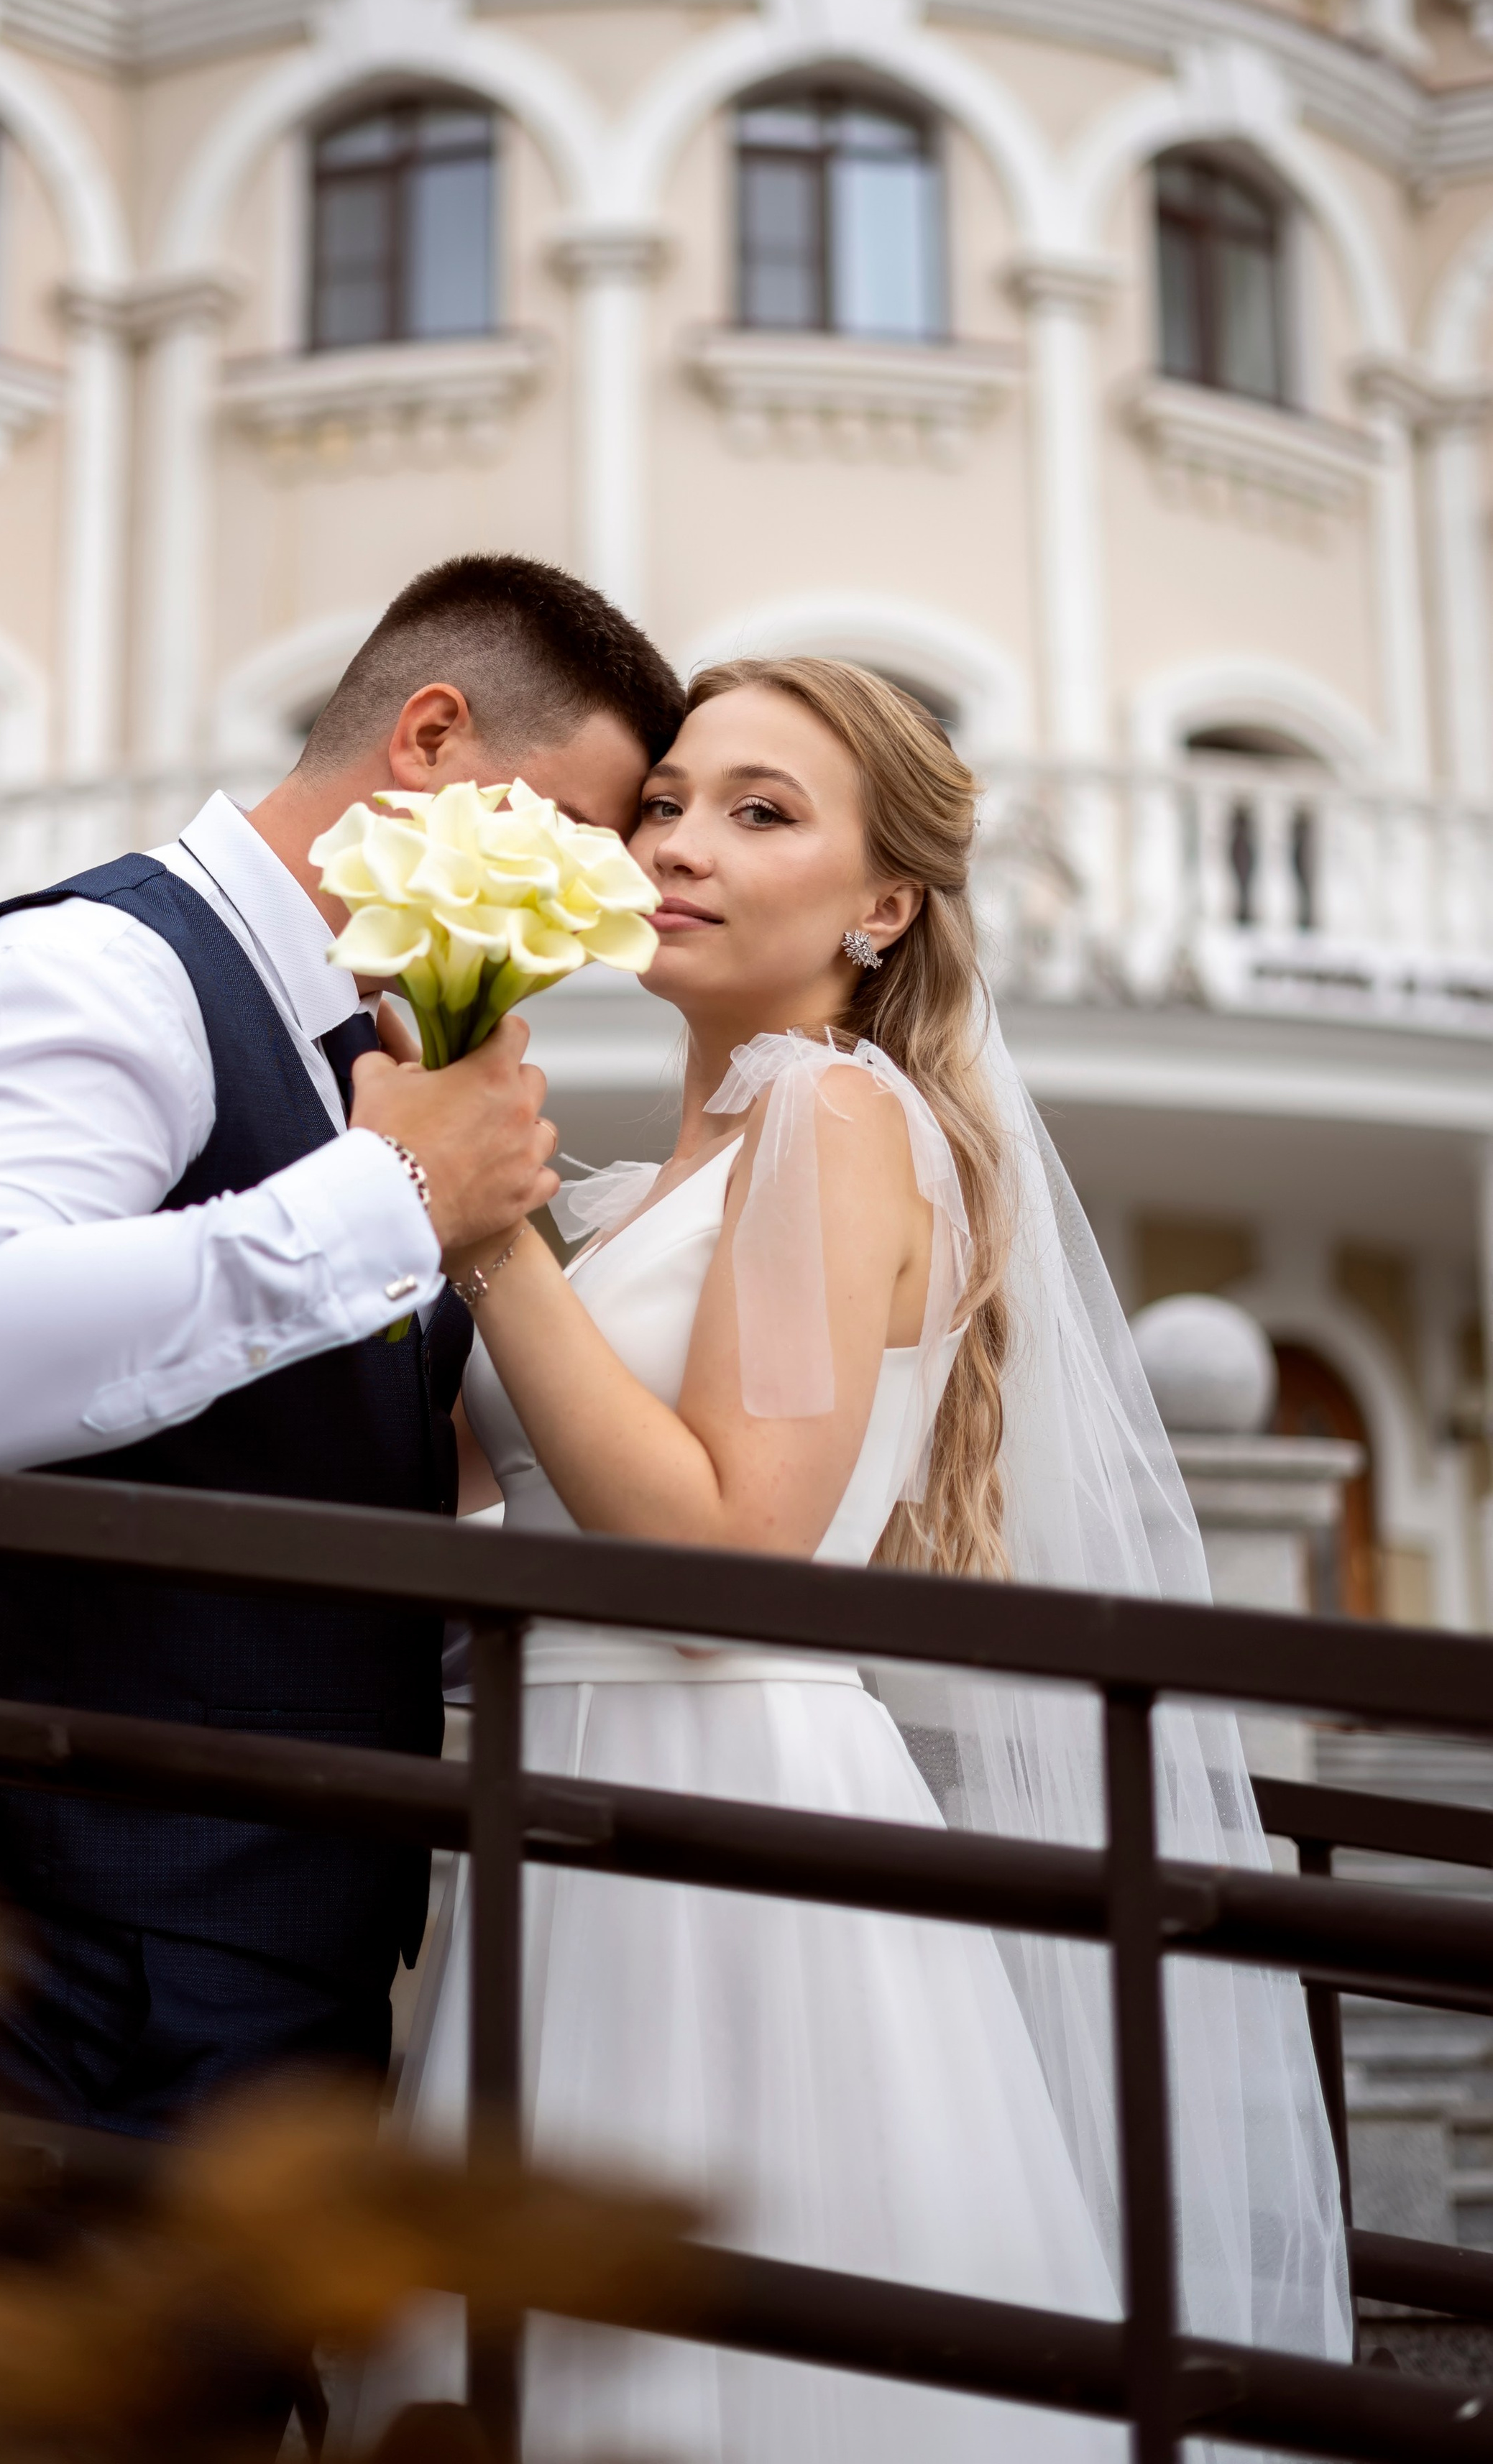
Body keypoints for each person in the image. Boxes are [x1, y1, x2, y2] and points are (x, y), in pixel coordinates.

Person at [375, 657, 1351, 2461]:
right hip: (561, 1794)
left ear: (882, 906)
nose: (679, 844)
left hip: (712, 1810)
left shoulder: (831, 1116)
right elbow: (494, 1499)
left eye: (760, 813)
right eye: (665, 803)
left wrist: (486, 1242)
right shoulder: (634, 1193)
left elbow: (733, 1547)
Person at [0, 553, 686, 2138]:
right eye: (577, 833)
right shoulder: (97, 965)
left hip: (284, 1928)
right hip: (68, 1938)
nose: (598, 912)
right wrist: (397, 1194)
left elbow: (306, 1460)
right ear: (428, 740)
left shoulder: (369, 1046)